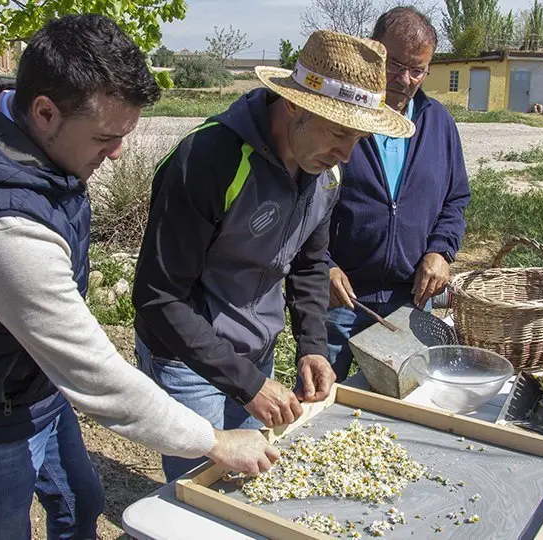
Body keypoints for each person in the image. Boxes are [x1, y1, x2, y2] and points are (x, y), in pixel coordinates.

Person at [0, 14, 277, 540]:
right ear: (45, 112)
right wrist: (213, 440)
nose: (118, 152)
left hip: (32, 384)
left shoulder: (23, 128)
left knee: (81, 502)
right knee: (1, 528)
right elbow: (92, 371)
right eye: (105, 136)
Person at [132, 29, 414, 481]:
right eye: (339, 132)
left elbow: (309, 264)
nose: (346, 152)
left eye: (358, 138)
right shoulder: (208, 160)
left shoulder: (325, 172)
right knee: (199, 498)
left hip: (255, 355)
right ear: (296, 105)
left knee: (248, 487)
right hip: (188, 361)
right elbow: (158, 297)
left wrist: (312, 347)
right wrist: (248, 386)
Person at [324, 7, 472, 381]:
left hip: (409, 298)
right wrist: (321, 265)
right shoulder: (339, 114)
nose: (405, 79)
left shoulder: (439, 123)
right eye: (395, 64)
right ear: (374, 52)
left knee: (404, 398)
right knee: (322, 399)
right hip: (339, 298)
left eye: (417, 69)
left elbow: (455, 199)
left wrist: (441, 251)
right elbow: (302, 199)